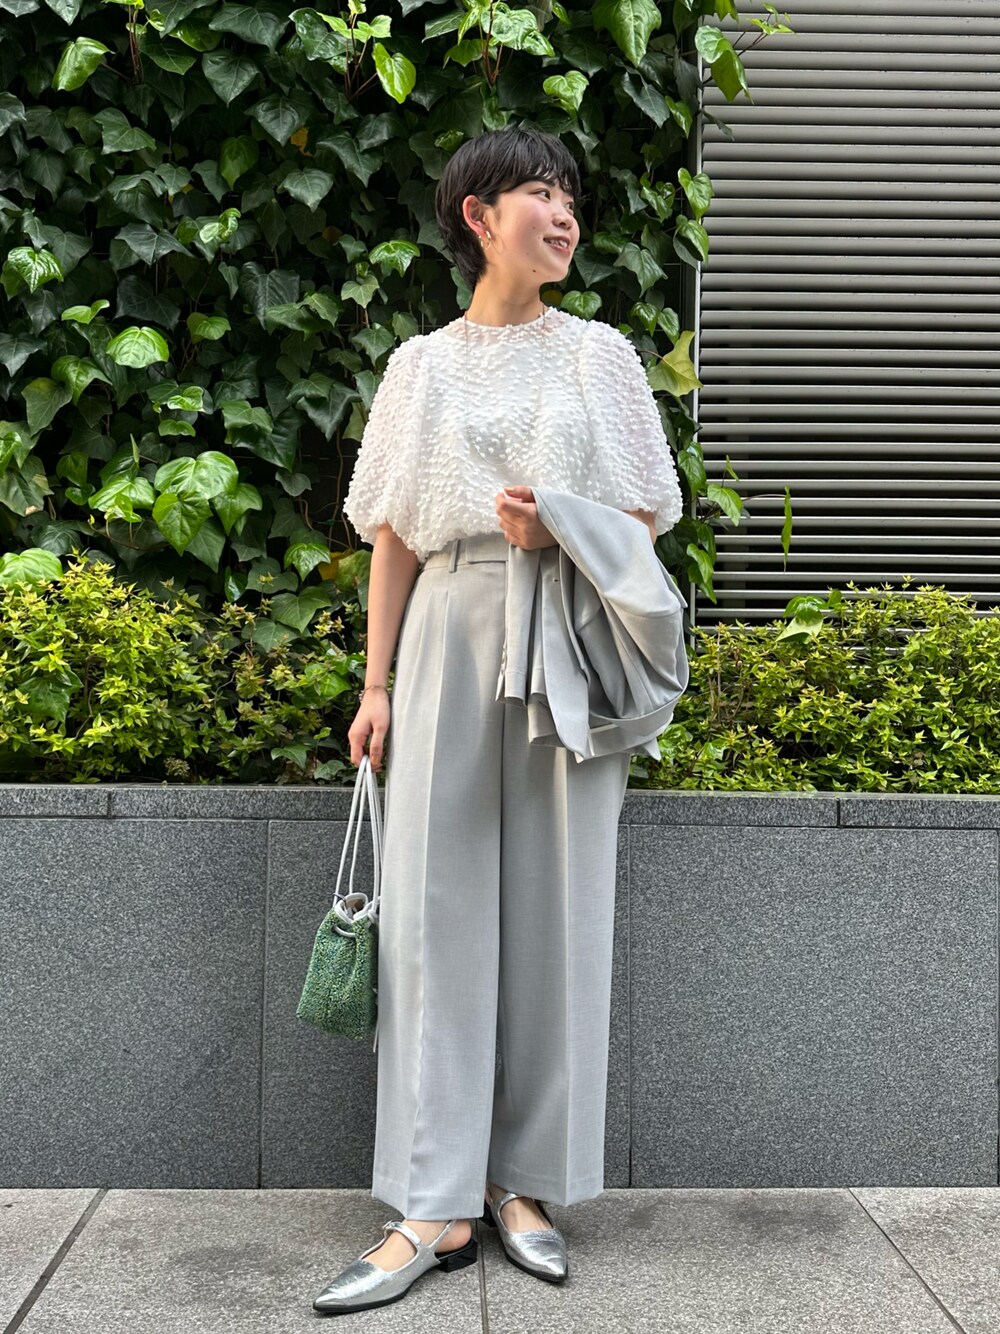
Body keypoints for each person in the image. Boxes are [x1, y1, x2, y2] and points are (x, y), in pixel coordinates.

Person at [313, 124, 683, 1316]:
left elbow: (644, 518)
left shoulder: (601, 357)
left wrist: (555, 523)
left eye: (570, 193)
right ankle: (433, 1203)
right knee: (433, 913)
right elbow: (392, 535)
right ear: (478, 216)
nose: (563, 212)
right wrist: (374, 686)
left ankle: (522, 1180)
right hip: (449, 626)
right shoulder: (419, 365)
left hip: (566, 631)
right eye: (539, 191)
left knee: (558, 913)